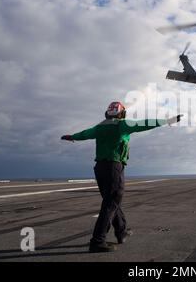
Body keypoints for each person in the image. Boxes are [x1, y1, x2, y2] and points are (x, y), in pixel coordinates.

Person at [61, 101, 182, 253]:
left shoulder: (99, 127)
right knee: (111, 203)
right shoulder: (122, 125)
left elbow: (85, 134)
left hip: (100, 168)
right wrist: (167, 121)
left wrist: (71, 136)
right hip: (114, 167)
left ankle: (121, 232)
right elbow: (145, 124)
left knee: (111, 201)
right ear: (122, 113)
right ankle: (98, 241)